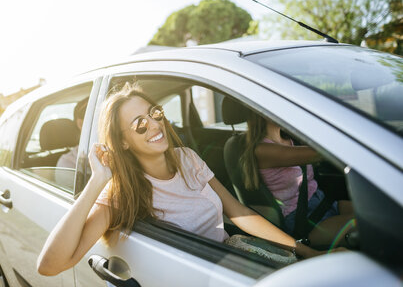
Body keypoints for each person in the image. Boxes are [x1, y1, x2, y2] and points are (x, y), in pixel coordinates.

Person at [37, 83, 335, 276]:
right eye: (140, 124)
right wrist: (97, 180)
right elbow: (50, 265)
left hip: (233, 263)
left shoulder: (187, 158)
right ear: (123, 142)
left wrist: (305, 251)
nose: (155, 124)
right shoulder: (122, 193)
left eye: (154, 113)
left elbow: (239, 212)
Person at [240, 112, 354, 247]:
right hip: (302, 219)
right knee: (370, 226)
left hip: (322, 203)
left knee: (378, 215)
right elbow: (318, 153)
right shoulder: (262, 150)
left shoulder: (288, 139)